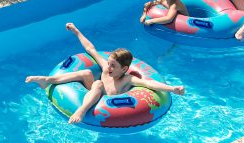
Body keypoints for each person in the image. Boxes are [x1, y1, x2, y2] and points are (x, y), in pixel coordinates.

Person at [25, 23, 184, 124]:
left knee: (98, 83)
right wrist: (76, 31)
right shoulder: (106, 69)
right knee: (89, 73)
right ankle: (48, 79)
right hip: (93, 93)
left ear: (124, 69)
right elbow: (90, 49)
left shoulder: (129, 80)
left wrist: (172, 89)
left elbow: (149, 83)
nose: (108, 68)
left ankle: (81, 110)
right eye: (108, 63)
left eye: (113, 66)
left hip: (112, 106)